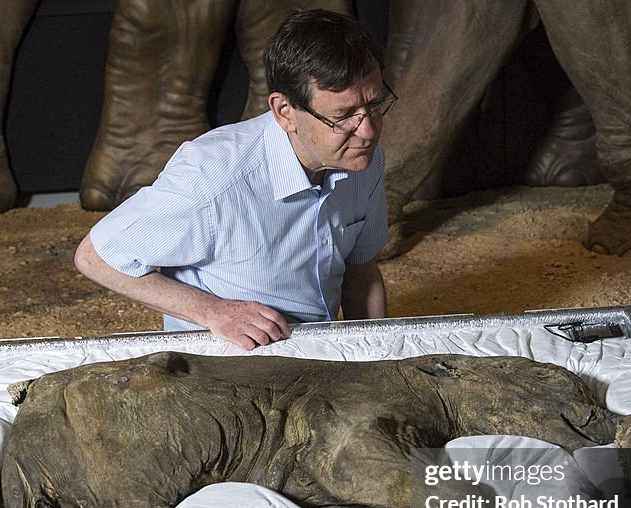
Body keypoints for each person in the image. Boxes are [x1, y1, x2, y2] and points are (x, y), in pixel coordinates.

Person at [74, 9, 395, 350]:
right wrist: (215, 313)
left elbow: (361, 273)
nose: (368, 131)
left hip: (317, 352)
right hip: (224, 362)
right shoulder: (213, 176)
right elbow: (96, 256)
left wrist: (377, 355)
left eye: (374, 106)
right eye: (343, 117)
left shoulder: (362, 161)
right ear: (284, 112)